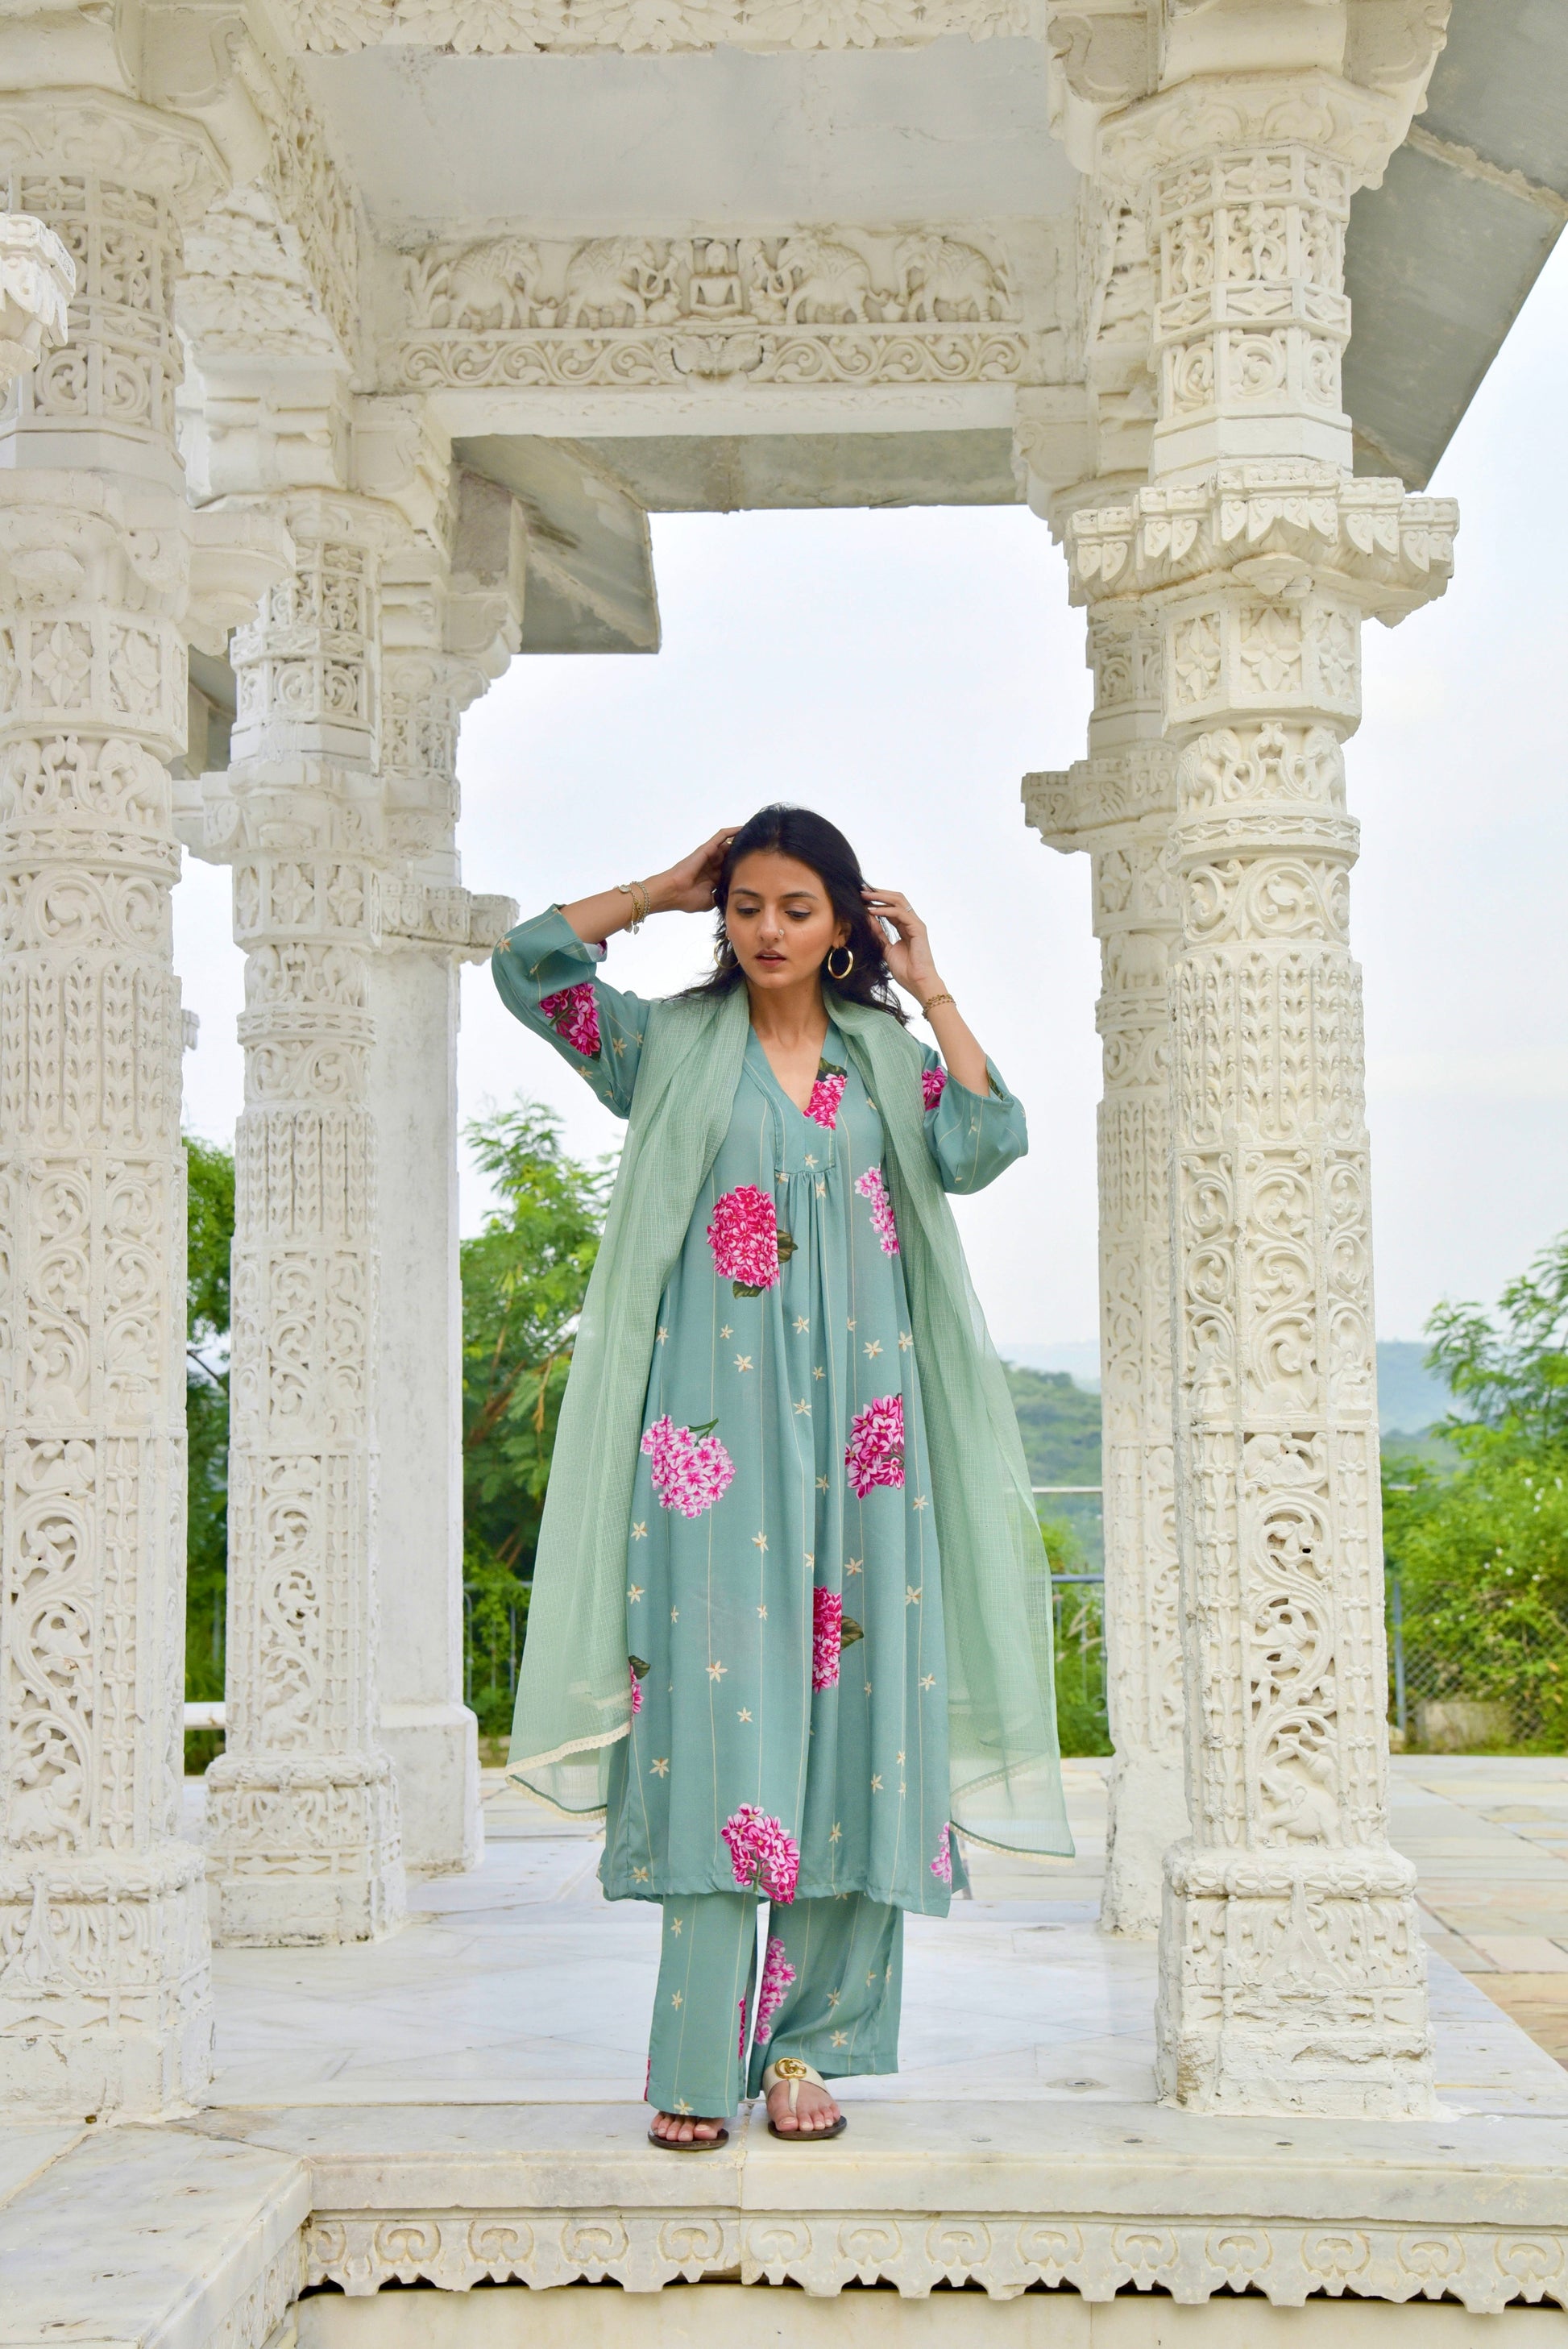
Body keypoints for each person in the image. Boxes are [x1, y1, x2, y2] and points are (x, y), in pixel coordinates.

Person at [492, 804, 1070, 2150]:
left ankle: (811, 2047)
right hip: (707, 1449)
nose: (765, 930)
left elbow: (986, 1142)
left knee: (863, 1728)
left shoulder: (884, 1057)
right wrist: (657, 886)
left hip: (870, 1443)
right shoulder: (666, 1046)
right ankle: (696, 2057)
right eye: (744, 905)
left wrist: (929, 986)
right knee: (715, 1729)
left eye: (795, 909)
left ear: (842, 923)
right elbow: (528, 966)